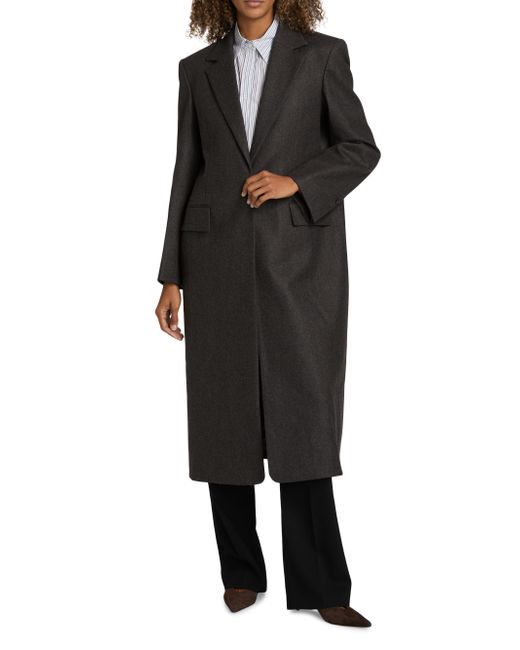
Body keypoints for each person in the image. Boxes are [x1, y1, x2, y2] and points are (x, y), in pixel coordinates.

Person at [155, 0, 380, 627]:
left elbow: (360, 148)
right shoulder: (197, 69)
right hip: (214, 261)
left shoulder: (322, 56)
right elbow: (186, 170)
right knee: (224, 417)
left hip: (299, 264)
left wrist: (297, 181)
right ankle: (240, 574)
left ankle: (322, 586)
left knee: (302, 416)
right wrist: (171, 274)